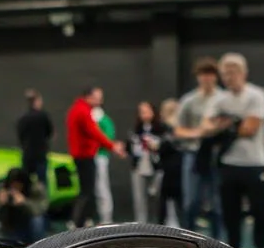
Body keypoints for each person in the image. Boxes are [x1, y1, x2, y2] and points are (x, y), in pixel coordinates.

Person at [204, 51, 264, 248]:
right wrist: (234, 123)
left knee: (259, 212)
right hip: (229, 163)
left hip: (255, 163)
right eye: (225, 73)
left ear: (243, 73)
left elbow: (250, 129)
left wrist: (225, 123)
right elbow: (206, 126)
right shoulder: (220, 99)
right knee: (230, 214)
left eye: (232, 72)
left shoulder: (256, 95)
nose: (228, 77)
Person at [65, 84, 123, 227]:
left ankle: (81, 221)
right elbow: (94, 132)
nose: (100, 101)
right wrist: (113, 146)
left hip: (81, 155)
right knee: (87, 191)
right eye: (97, 98)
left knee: (87, 190)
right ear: (89, 97)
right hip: (84, 155)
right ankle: (78, 223)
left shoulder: (78, 109)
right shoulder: (83, 111)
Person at [174, 57, 220, 232]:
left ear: (215, 76)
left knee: (217, 202)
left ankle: (219, 241)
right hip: (193, 152)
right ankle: (189, 237)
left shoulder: (223, 98)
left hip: (216, 154)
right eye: (203, 74)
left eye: (210, 74)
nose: (206, 78)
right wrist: (198, 133)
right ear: (197, 77)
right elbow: (178, 130)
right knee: (191, 201)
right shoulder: (189, 100)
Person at [0, 166, 47, 246]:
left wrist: (24, 202)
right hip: (12, 226)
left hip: (29, 224)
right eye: (13, 185)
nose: (15, 188)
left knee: (38, 220)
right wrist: (0, 205)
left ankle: (38, 245)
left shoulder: (35, 188)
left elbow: (40, 209)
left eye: (18, 185)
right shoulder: (4, 190)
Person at [128, 101, 162, 224]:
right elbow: (130, 147)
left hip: (156, 166)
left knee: (158, 195)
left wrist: (155, 145)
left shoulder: (160, 129)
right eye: (142, 112)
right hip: (139, 166)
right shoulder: (136, 130)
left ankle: (161, 221)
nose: (145, 115)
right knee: (139, 197)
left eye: (147, 111)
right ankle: (141, 222)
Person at [17, 88, 53, 190]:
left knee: (25, 180)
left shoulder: (23, 118)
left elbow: (20, 134)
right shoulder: (43, 116)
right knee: (42, 181)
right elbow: (49, 132)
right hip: (40, 153)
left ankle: (26, 197)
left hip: (27, 153)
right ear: (36, 101)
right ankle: (42, 198)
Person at [157, 99, 185, 227]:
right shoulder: (179, 127)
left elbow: (165, 146)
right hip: (178, 166)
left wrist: (158, 147)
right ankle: (180, 224)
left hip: (171, 168)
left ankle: (163, 225)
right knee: (177, 198)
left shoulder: (169, 128)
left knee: (166, 197)